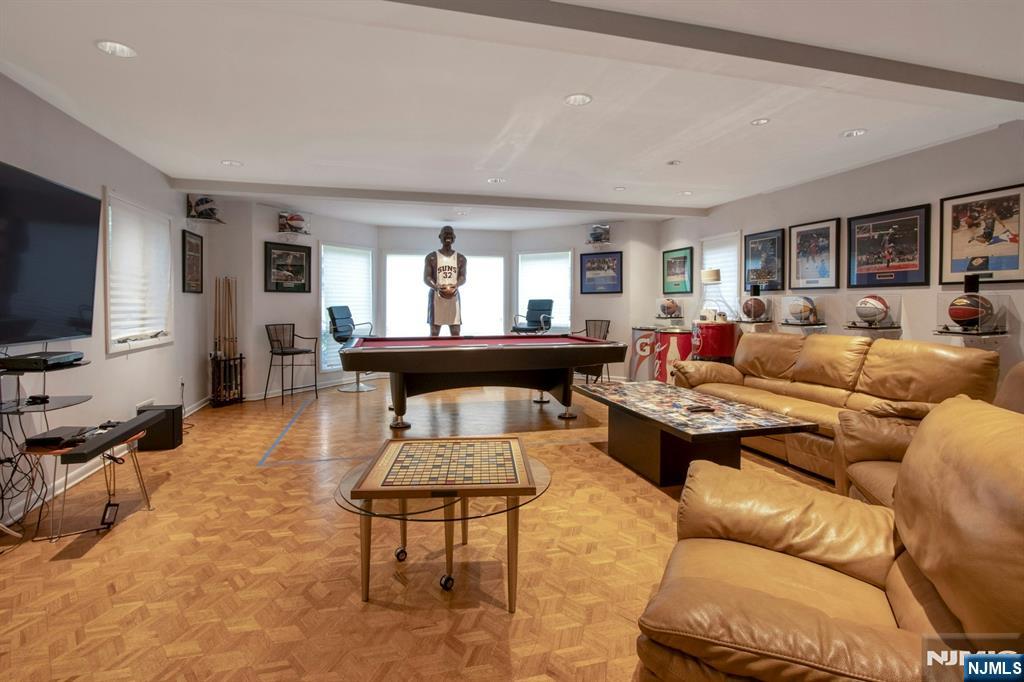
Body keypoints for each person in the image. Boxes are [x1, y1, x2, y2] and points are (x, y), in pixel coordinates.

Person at [424, 225, 467, 336]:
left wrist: (456, 285)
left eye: (450, 234)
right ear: (440, 236)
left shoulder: (461, 258)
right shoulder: (431, 257)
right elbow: (427, 277)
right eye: (445, 233)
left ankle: (455, 353)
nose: (448, 236)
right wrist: (436, 287)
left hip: (453, 296)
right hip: (436, 296)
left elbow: (463, 277)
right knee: (434, 332)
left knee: (456, 331)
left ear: (454, 237)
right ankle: (433, 352)